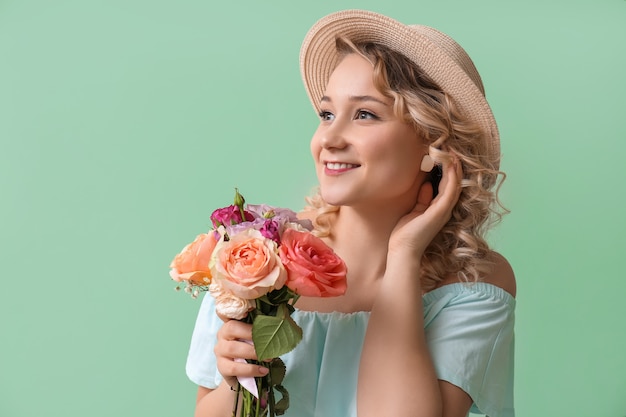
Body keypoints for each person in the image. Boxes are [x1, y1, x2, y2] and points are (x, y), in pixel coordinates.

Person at [186, 9, 516, 417]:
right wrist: (237, 380)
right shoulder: (258, 258)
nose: (329, 138)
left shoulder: (472, 286)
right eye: (326, 114)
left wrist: (404, 255)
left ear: (435, 146)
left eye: (365, 114)